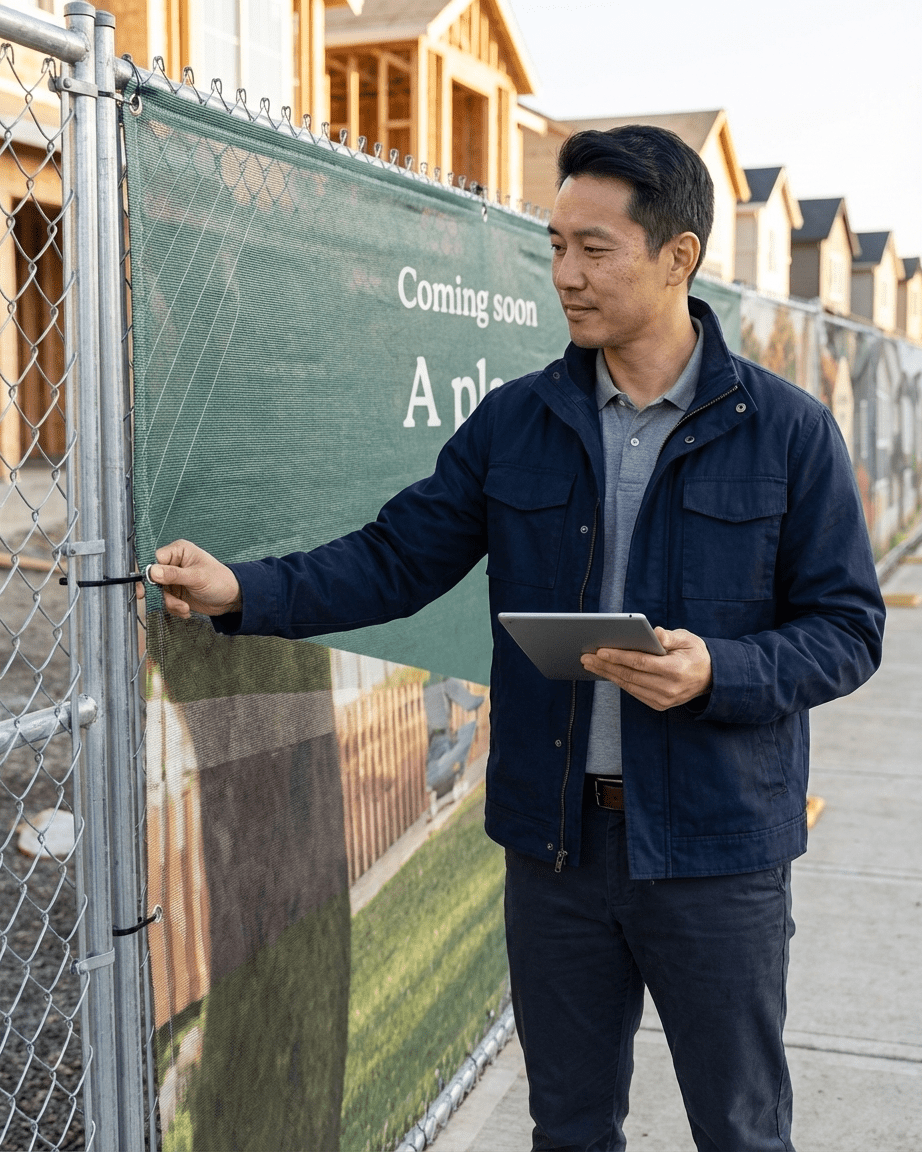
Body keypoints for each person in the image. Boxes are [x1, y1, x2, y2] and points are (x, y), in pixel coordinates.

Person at [148, 125, 885, 1151]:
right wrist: (243, 591)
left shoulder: (788, 430)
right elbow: (394, 558)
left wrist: (720, 670)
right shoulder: (514, 423)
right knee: (568, 1128)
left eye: (594, 249)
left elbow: (848, 628)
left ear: (678, 257)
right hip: (558, 853)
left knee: (741, 1129)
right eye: (554, 247)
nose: (565, 276)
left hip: (718, 855)